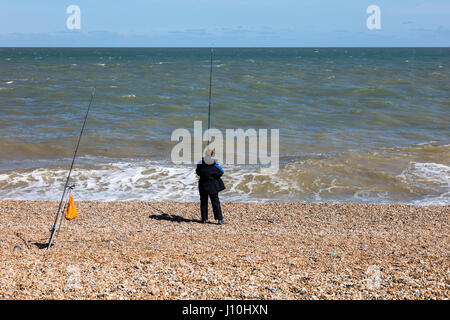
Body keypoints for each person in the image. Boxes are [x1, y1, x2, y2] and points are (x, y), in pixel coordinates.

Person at [195, 149, 226, 225]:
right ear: (212, 155)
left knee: (203, 202)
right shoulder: (214, 164)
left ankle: (204, 219)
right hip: (212, 185)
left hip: (203, 185)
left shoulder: (200, 163)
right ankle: (219, 220)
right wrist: (215, 165)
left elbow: (197, 172)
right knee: (215, 202)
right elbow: (221, 172)